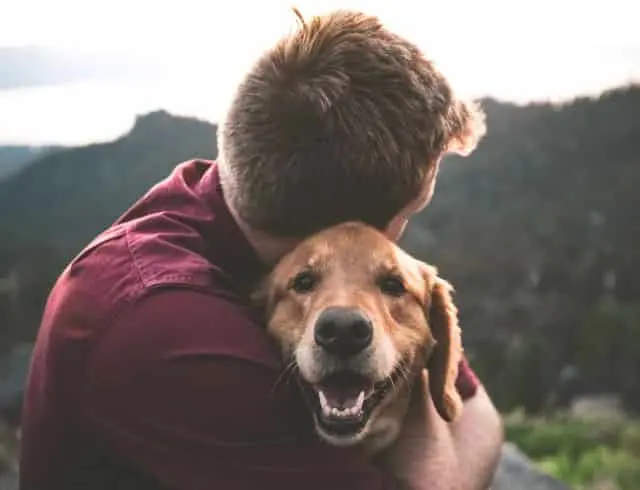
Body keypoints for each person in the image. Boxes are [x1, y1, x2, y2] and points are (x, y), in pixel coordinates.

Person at [19, 9, 503, 490]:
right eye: (410, 211)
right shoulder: (171, 332)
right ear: (347, 225)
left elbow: (478, 413)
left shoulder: (232, 205)